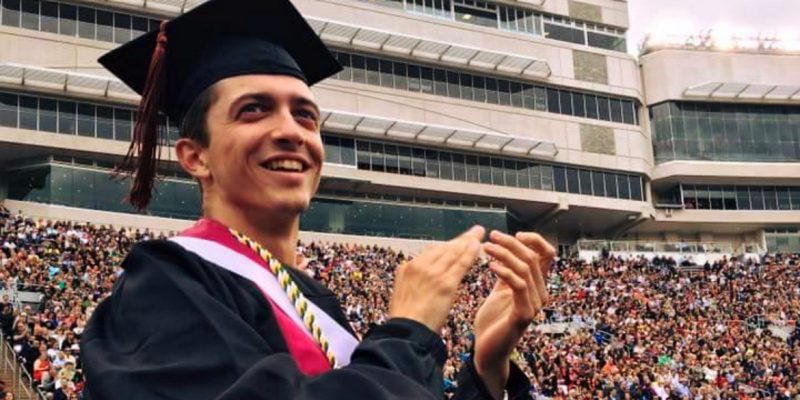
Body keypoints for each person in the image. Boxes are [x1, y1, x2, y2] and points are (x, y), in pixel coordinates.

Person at [80, 0, 553, 398]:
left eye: (305, 116)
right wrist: (407, 330)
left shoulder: (309, 299)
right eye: (254, 110)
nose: (290, 131)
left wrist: (486, 371)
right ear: (195, 157)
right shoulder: (161, 288)